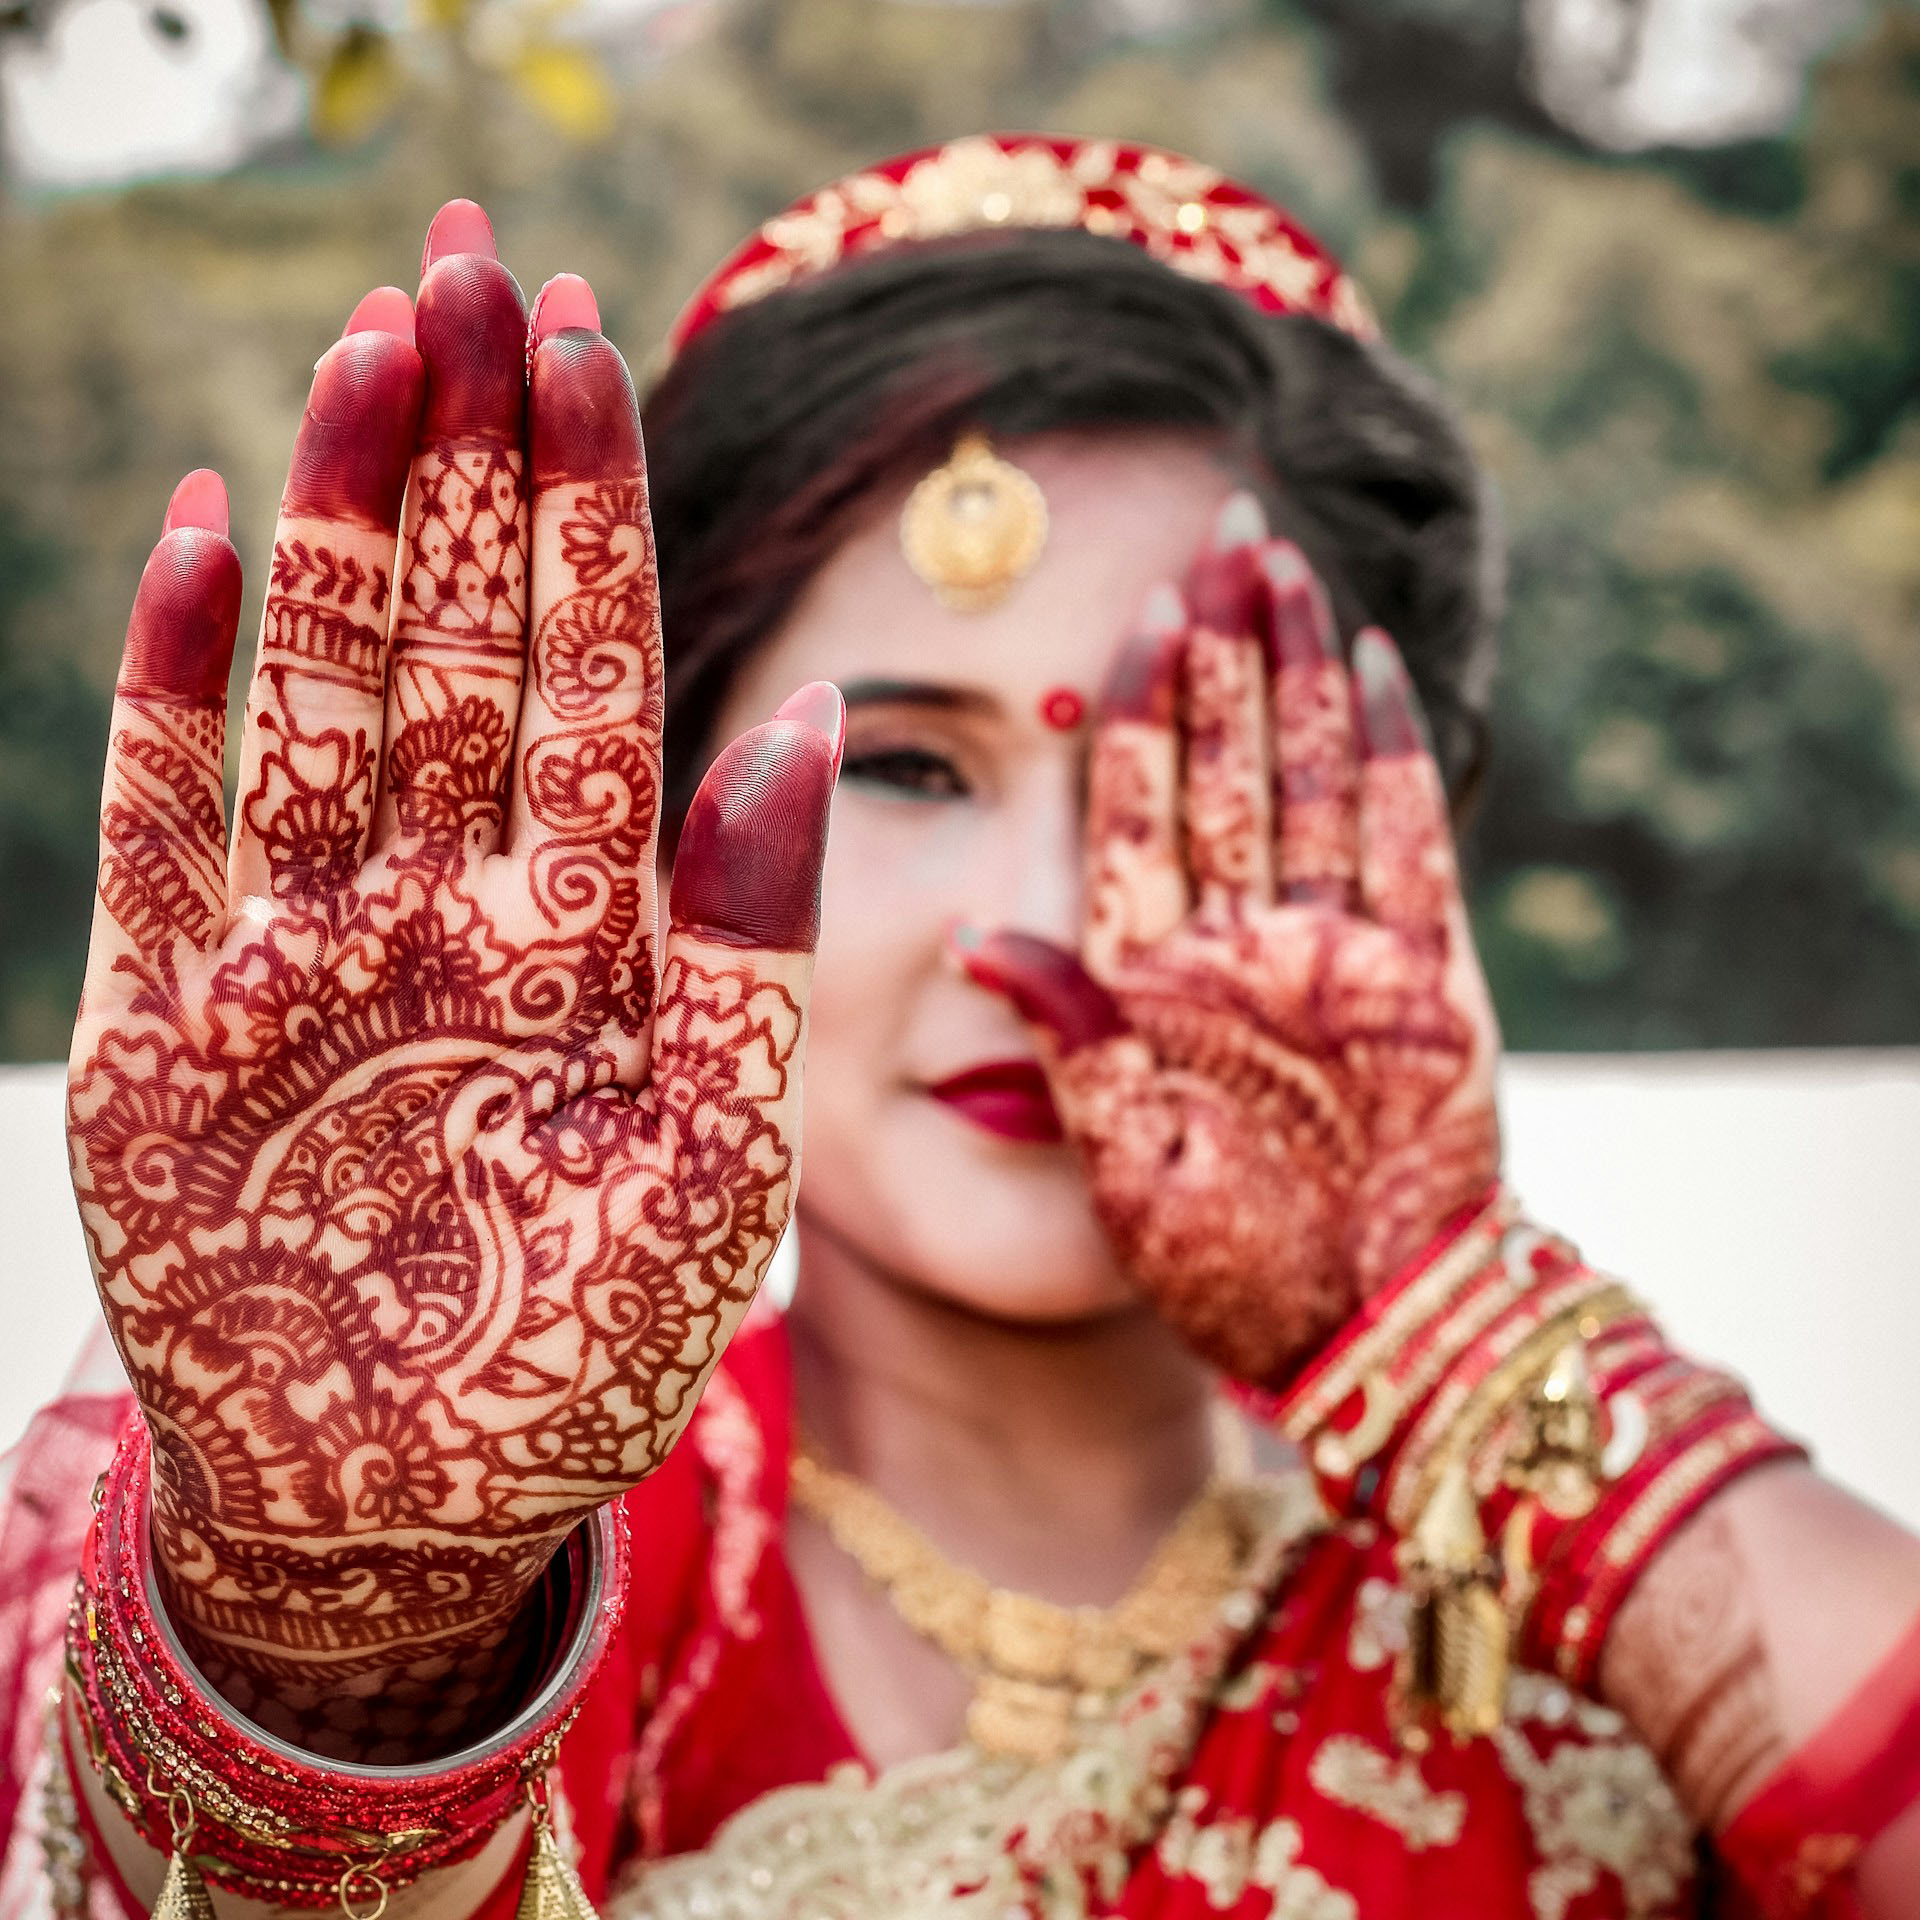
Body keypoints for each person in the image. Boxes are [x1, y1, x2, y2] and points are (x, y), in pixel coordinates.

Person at [2, 135, 1917, 1920]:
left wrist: (1452, 1325)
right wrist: (352, 1653)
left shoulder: (1571, 1596)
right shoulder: (494, 1509)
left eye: (1180, 776)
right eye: (904, 764)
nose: (1031, 927)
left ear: (1405, 836)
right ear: (644, 824)